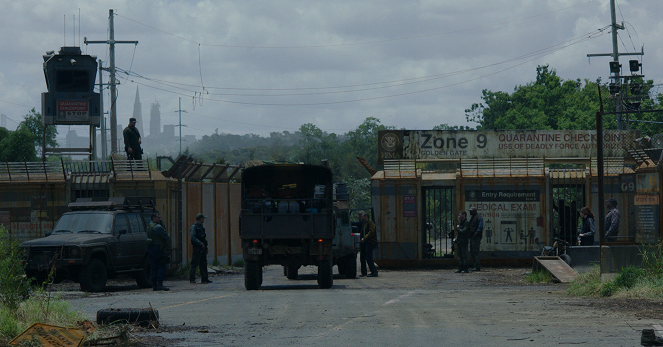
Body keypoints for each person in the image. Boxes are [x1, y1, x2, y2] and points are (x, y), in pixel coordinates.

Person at [147, 212, 170, 291]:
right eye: (158, 218)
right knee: (162, 264)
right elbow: (167, 237)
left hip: (151, 248)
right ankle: (159, 284)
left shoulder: (149, 226)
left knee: (153, 266)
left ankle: (154, 284)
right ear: (153, 218)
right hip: (158, 248)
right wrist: (167, 247)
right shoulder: (158, 227)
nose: (160, 219)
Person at [189, 213, 212, 284]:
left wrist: (206, 247)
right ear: (200, 218)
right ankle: (192, 278)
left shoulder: (201, 227)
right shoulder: (194, 226)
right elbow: (193, 237)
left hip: (202, 248)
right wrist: (200, 243)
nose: (204, 219)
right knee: (194, 263)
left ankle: (205, 278)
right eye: (203, 218)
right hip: (197, 248)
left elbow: (203, 239)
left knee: (203, 264)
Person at [359, 211, 378, 277]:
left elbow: (371, 232)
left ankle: (374, 272)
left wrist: (364, 238)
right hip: (365, 243)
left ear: (366, 216)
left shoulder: (371, 223)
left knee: (369, 257)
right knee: (362, 258)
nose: (362, 218)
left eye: (363, 217)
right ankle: (364, 273)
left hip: (370, 242)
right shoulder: (364, 224)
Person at [468, 206, 484, 272]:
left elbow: (480, 227)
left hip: (476, 237)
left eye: (471, 211)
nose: (470, 212)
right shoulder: (472, 218)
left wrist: (475, 234)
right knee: (472, 252)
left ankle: (477, 266)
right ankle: (474, 265)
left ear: (474, 211)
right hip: (472, 237)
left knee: (475, 252)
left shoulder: (478, 218)